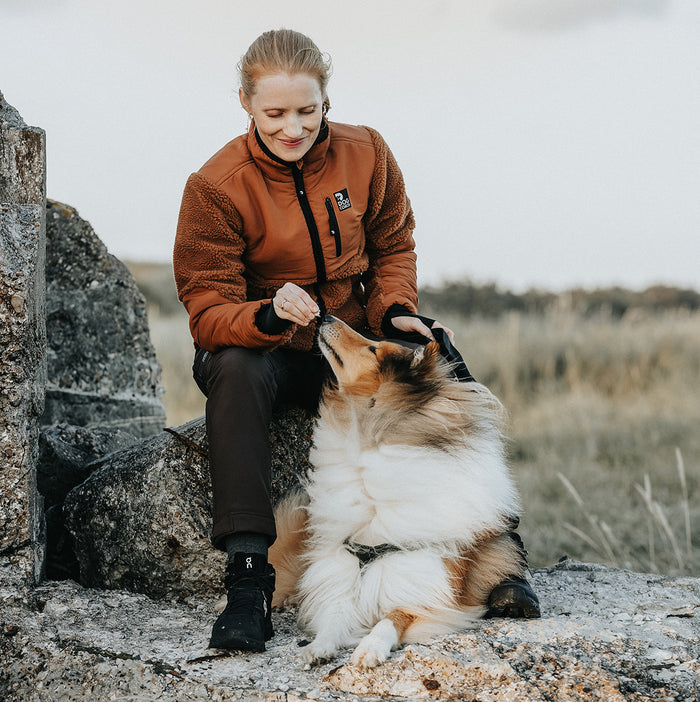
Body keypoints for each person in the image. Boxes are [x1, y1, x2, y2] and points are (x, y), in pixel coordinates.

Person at [173, 29, 539, 654]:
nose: (294, 127)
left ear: (326, 99)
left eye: (308, 110)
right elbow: (206, 306)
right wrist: (264, 313)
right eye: (275, 113)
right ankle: (247, 581)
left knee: (441, 363)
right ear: (245, 104)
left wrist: (396, 311)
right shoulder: (215, 187)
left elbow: (394, 246)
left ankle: (500, 552)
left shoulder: (366, 153)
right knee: (234, 371)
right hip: (264, 350)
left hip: (344, 339)